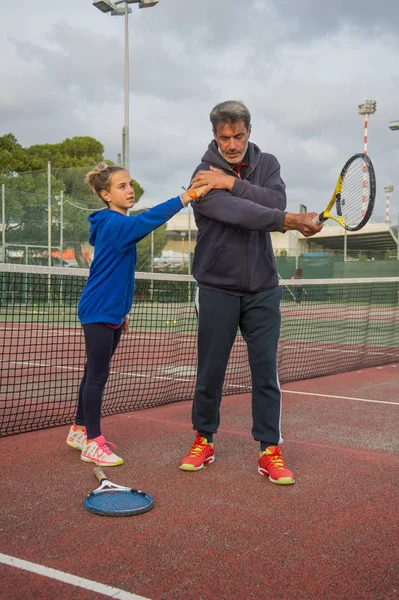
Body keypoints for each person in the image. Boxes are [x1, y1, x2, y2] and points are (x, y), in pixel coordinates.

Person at [179, 100, 322, 484]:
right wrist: (286, 221)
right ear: (214, 136)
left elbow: (275, 202)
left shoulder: (268, 163)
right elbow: (238, 213)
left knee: (266, 373)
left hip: (262, 290)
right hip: (216, 288)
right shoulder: (201, 175)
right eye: (224, 138)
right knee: (210, 372)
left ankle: (269, 450)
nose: (231, 144)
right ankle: (203, 439)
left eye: (238, 136)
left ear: (249, 132)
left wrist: (233, 182)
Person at [66, 162, 206, 467]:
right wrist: (187, 197)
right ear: (105, 194)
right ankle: (94, 442)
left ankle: (79, 429)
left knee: (93, 371)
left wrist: (121, 311)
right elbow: (149, 220)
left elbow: (118, 274)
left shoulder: (115, 224)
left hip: (110, 310)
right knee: (98, 375)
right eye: (121, 186)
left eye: (129, 184)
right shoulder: (115, 224)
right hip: (98, 309)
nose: (129, 190)